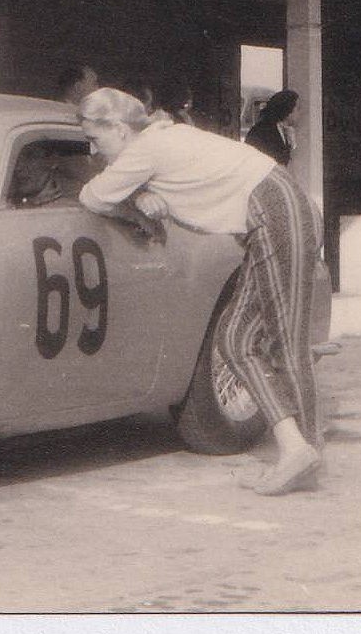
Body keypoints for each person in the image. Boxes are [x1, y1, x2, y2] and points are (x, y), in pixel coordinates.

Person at [76, 88, 323, 495]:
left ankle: (303, 454)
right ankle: (299, 450)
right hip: (276, 210)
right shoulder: (160, 139)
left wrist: (133, 203)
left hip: (277, 210)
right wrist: (140, 196)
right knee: (236, 339)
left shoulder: (146, 148)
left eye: (94, 138)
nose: (93, 150)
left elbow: (94, 196)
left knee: (285, 342)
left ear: (118, 128)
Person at [244, 90, 299, 166]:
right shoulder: (262, 131)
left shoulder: (284, 131)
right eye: (297, 109)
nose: (299, 113)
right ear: (289, 109)